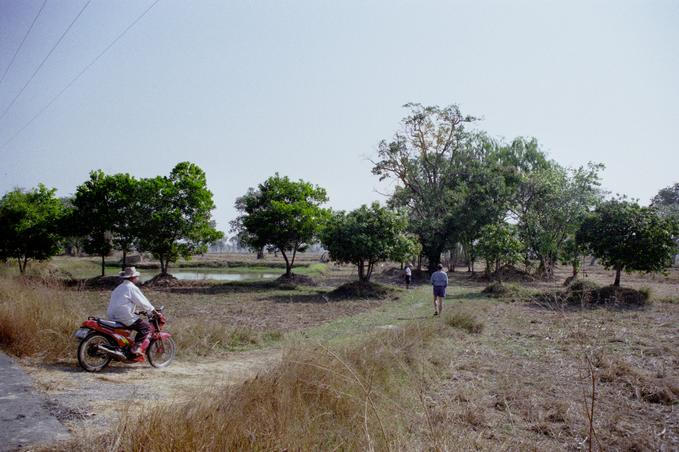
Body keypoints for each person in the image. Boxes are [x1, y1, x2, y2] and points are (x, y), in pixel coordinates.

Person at [107, 266, 156, 355]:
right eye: (136, 276)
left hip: (112, 315)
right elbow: (144, 302)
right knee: (146, 328)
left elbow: (122, 303)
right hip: (123, 316)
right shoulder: (131, 287)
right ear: (133, 277)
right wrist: (154, 311)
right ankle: (135, 348)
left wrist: (135, 312)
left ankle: (124, 348)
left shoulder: (119, 287)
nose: (137, 278)